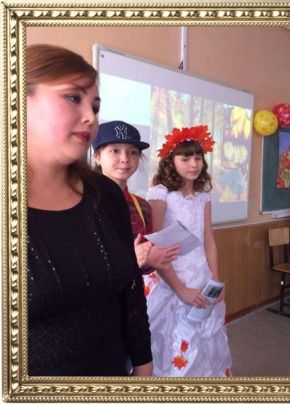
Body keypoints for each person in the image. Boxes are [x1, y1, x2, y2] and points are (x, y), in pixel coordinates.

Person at [26, 44, 152, 376]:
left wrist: (143, 364)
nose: (91, 118)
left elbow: (130, 289)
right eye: (73, 97)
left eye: (95, 106)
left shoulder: (105, 194)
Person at [145, 125, 232, 377]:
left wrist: (216, 279)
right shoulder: (160, 193)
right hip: (170, 277)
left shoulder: (203, 195)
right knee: (176, 344)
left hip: (201, 275)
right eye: (185, 158)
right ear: (171, 161)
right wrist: (181, 289)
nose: (194, 164)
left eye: (198, 157)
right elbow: (155, 245)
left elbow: (209, 238)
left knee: (206, 340)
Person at [92, 120, 180, 275]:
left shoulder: (142, 206)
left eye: (133, 152)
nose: (125, 159)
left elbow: (144, 263)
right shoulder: (83, 202)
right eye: (115, 151)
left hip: (134, 290)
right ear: (97, 157)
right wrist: (128, 259)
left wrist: (152, 259)